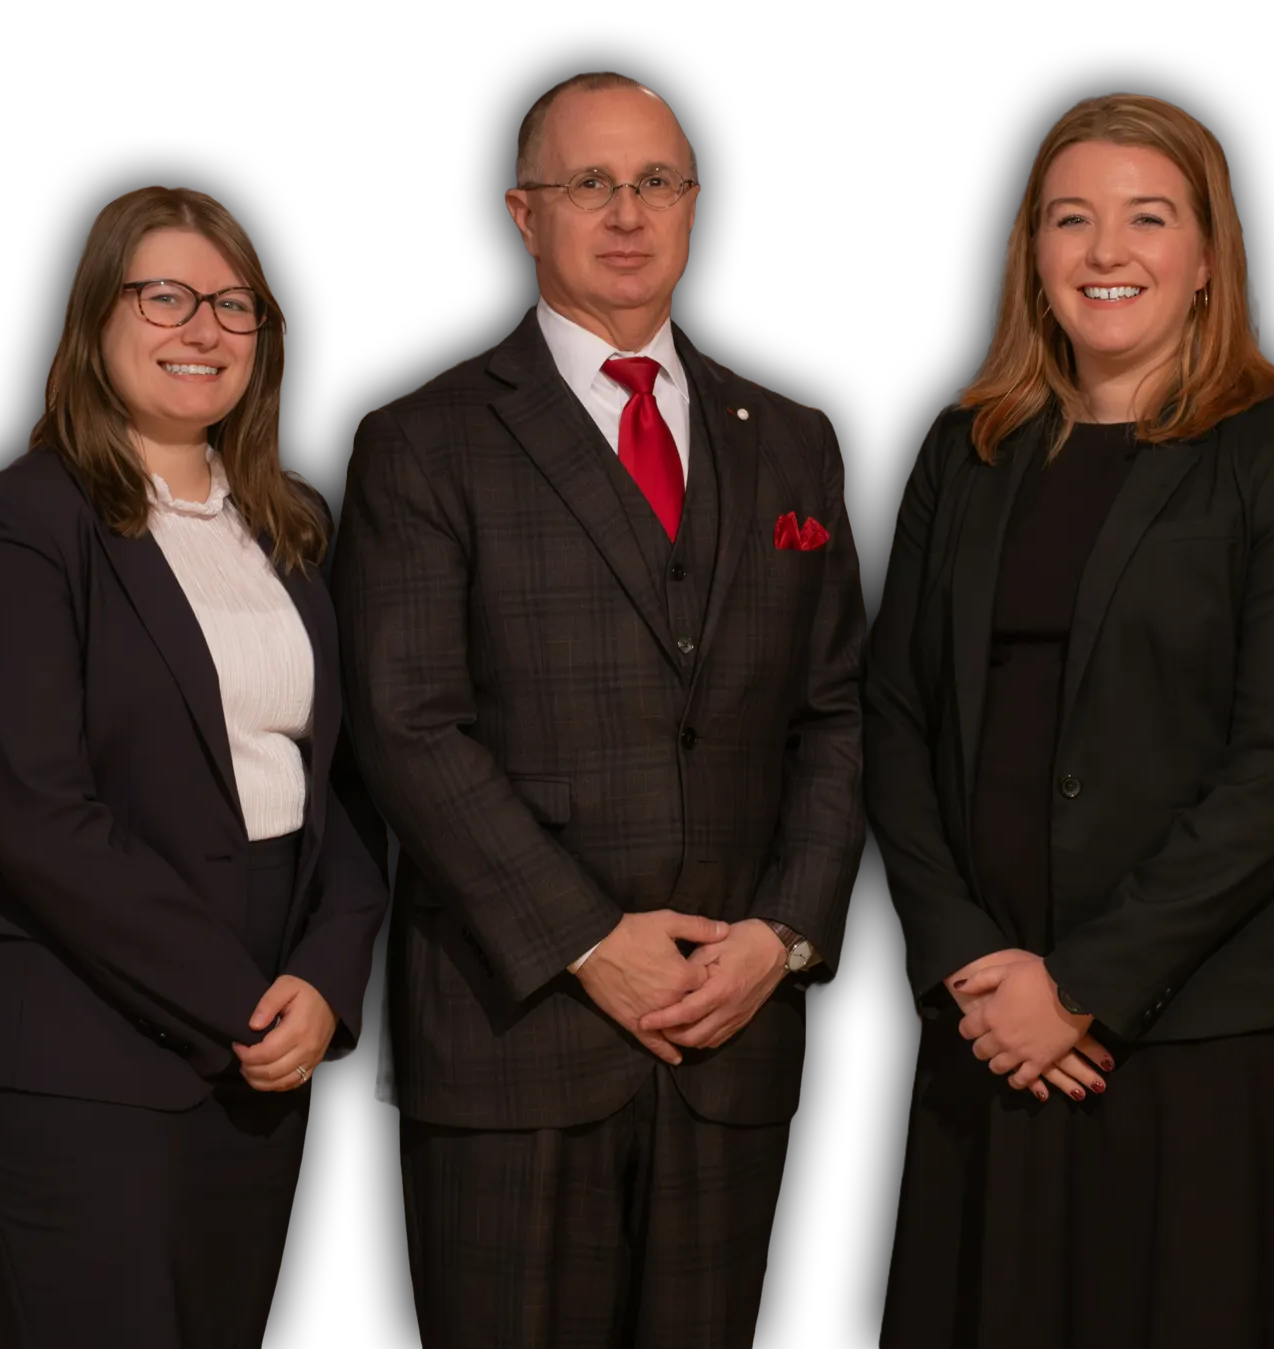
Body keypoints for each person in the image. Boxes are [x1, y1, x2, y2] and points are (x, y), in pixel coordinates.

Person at [867, 93, 1274, 1348]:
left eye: (1147, 218)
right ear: (1034, 253)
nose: (1106, 252)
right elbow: (896, 718)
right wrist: (970, 965)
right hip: (992, 1029)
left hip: (1213, 1045)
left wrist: (1089, 987)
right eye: (1073, 219)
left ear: (1208, 255)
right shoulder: (966, 449)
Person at [332, 72, 864, 1348]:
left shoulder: (794, 439)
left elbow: (838, 714)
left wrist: (781, 933)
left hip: (732, 1040)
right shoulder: (422, 439)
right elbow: (410, 725)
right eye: (589, 185)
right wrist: (587, 938)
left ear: (694, 208)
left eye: (656, 183)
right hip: (514, 1043)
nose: (626, 214)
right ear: (523, 215)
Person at [0, 186, 388, 1348]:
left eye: (236, 305)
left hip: (265, 1055)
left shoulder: (289, 525)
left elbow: (339, 791)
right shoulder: (12, 524)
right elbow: (41, 817)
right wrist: (239, 996)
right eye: (167, 294)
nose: (206, 328)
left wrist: (326, 984)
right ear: (96, 317)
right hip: (77, 1057)